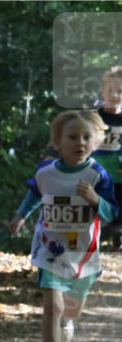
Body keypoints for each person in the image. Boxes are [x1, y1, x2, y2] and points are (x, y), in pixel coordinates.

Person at [7, 110, 117, 342]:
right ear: (58, 141)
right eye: (72, 137)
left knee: (70, 310)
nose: (79, 142)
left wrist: (94, 200)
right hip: (51, 251)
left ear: (95, 142)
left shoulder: (97, 175)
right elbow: (35, 193)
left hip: (83, 255)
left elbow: (111, 213)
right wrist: (21, 217)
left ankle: (67, 324)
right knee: (52, 305)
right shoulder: (47, 173)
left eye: (86, 137)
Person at [93, 66, 122, 249]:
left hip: (118, 171)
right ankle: (95, 232)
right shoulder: (94, 116)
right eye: (110, 90)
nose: (115, 95)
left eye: (120, 91)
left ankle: (118, 231)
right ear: (102, 92)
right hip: (95, 170)